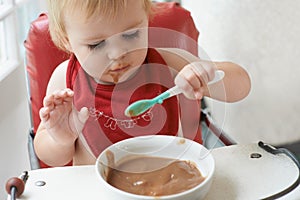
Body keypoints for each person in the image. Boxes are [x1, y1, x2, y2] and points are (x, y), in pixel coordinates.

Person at [34, 0, 251, 167]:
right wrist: (60, 139)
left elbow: (242, 85)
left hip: (180, 184)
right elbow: (48, 156)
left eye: (130, 34)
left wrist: (206, 77)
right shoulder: (65, 79)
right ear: (66, 40)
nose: (118, 53)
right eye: (96, 44)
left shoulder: (170, 63)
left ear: (146, 19)